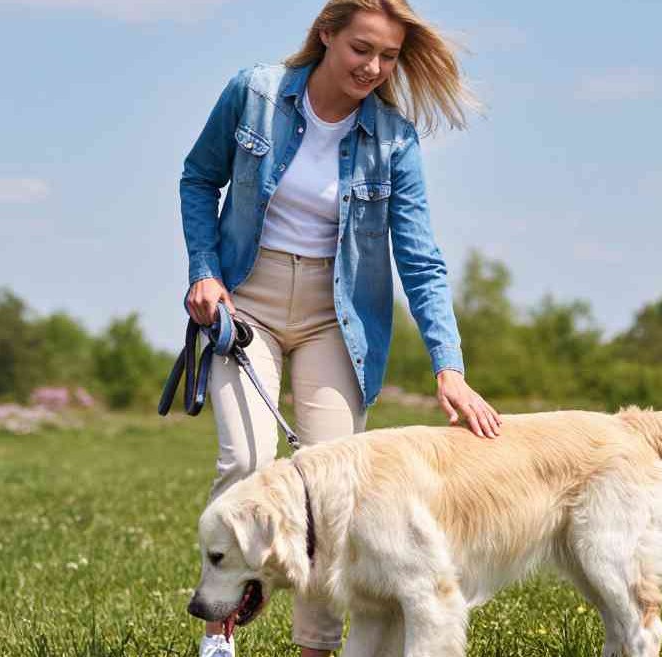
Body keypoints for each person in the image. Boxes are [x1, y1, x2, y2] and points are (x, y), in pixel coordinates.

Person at [179, 1, 502, 655]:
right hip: (248, 305)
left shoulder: (394, 138)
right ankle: (219, 635)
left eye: (387, 57)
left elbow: (420, 259)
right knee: (246, 458)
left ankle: (316, 647)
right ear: (326, 34)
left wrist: (450, 365)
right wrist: (204, 271)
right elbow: (198, 177)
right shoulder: (256, 94)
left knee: (331, 494)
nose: (374, 67)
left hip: (337, 317)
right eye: (362, 49)